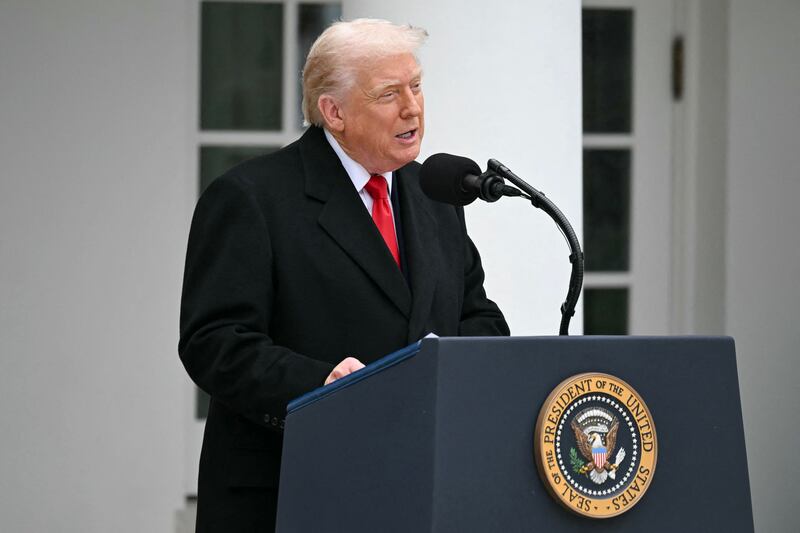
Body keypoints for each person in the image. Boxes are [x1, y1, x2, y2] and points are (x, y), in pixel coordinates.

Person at [179, 18, 509, 532]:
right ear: (333, 112)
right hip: (291, 490)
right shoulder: (251, 199)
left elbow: (476, 313)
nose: (412, 107)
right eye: (388, 94)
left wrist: (459, 366)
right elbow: (214, 342)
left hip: (416, 488)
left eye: (417, 86)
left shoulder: (434, 195)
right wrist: (320, 385)